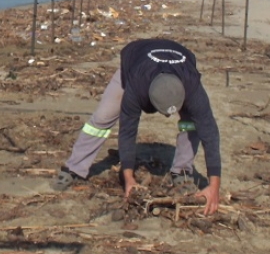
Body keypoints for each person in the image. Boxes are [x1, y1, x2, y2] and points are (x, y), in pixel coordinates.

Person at [52, 38, 221, 215]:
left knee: (192, 123)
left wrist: (214, 186)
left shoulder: (192, 87)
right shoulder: (135, 86)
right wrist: (129, 179)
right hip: (135, 61)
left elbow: (210, 133)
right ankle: (74, 167)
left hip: (177, 64)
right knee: (103, 117)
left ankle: (182, 172)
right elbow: (127, 132)